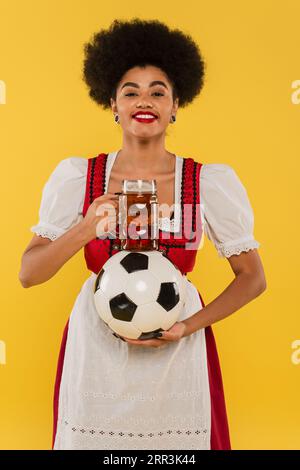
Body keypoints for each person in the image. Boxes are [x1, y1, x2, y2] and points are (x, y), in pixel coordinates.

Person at [19, 18, 266, 450]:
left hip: (178, 351)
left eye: (158, 91)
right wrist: (85, 228)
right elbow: (29, 274)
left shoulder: (207, 181)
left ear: (176, 106)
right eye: (130, 91)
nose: (143, 101)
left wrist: (188, 325)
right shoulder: (80, 176)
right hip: (95, 346)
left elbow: (253, 277)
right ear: (112, 104)